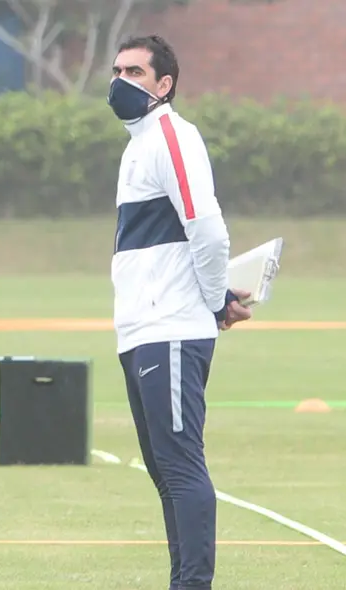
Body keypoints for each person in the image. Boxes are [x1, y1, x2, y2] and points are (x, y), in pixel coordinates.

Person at [106, 35, 252, 590]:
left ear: (163, 85)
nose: (121, 80)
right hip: (142, 329)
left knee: (182, 467)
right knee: (164, 472)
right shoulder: (139, 142)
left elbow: (208, 230)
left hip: (171, 329)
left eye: (136, 72)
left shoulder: (171, 134)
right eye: (117, 70)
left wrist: (216, 300)